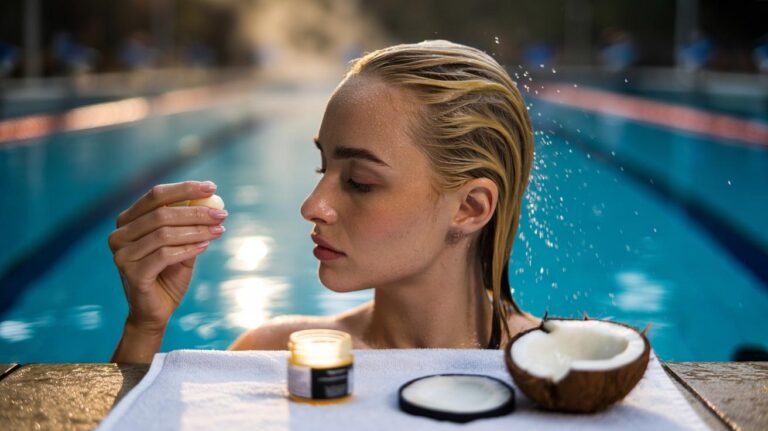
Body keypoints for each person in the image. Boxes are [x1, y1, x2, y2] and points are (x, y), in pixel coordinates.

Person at [109, 40, 540, 364]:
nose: (312, 206)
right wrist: (144, 329)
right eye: (323, 168)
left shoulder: (560, 369)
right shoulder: (274, 354)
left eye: (358, 182)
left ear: (470, 207)